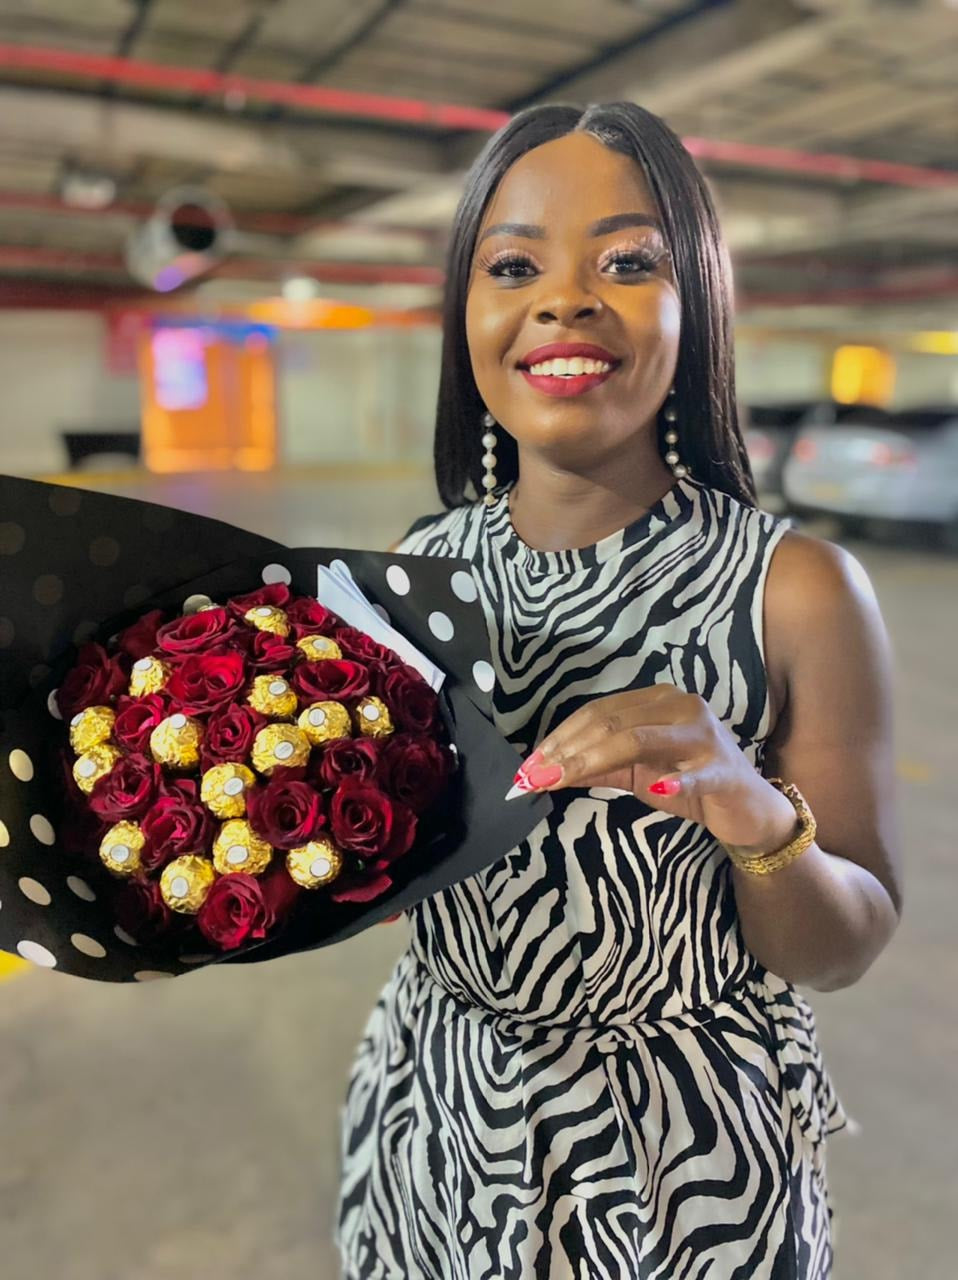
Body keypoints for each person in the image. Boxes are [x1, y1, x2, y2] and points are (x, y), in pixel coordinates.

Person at [335, 101, 902, 1279]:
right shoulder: (415, 565)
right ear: (465, 311)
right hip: (437, 1105)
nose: (564, 300)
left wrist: (746, 804)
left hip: (678, 1156)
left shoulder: (795, 589)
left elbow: (843, 944)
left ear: (697, 303)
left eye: (627, 262)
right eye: (513, 267)